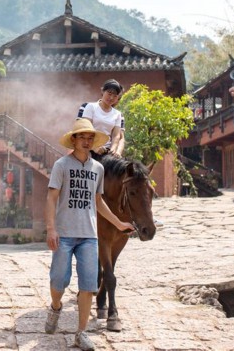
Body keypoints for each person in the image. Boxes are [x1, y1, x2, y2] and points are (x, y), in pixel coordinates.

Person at [44, 118, 134, 351]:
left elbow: (98, 201)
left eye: (90, 138)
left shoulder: (98, 168)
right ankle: (55, 307)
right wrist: (51, 228)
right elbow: (52, 198)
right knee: (58, 281)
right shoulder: (61, 165)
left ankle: (80, 333)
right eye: (82, 137)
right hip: (64, 234)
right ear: (73, 140)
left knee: (88, 286)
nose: (86, 141)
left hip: (89, 236)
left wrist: (119, 222)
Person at [77, 79, 125, 157]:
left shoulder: (118, 114)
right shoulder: (90, 107)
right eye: (109, 93)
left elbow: (116, 135)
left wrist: (113, 149)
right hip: (89, 149)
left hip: (106, 152)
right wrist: (94, 146)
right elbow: (84, 129)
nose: (111, 97)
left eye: (115, 96)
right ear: (103, 91)